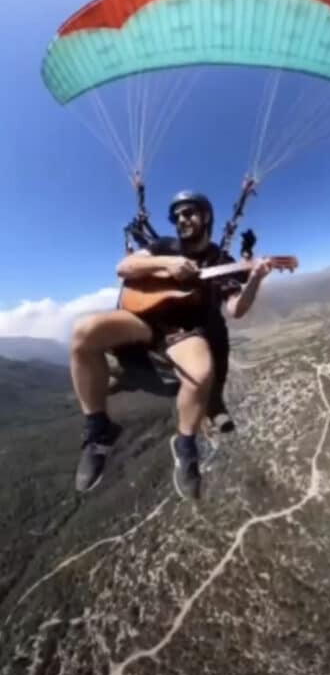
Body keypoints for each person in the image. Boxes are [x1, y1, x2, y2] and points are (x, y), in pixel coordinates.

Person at [70, 190, 272, 500]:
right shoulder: (164, 246)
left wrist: (255, 279)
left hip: (184, 331)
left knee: (202, 372)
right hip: (143, 322)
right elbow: (124, 268)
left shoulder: (221, 260)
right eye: (177, 215)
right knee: (85, 333)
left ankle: (186, 444)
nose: (182, 219)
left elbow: (236, 309)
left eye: (189, 212)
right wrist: (169, 262)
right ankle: (99, 431)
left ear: (205, 216)